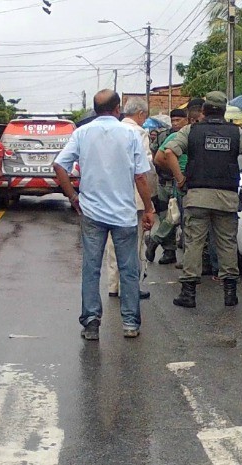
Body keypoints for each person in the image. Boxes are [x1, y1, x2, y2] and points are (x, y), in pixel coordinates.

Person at [53, 90, 154, 340]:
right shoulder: (131, 134)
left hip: (92, 212)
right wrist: (149, 209)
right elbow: (141, 176)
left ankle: (90, 323)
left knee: (91, 268)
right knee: (129, 269)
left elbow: (58, 165)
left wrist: (72, 197)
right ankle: (130, 323)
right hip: (124, 214)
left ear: (95, 109)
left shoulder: (82, 133)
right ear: (118, 108)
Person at [157, 91, 242, 308]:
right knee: (226, 244)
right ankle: (230, 293)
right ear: (224, 111)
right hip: (227, 197)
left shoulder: (191, 130)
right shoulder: (236, 133)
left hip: (197, 196)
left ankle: (189, 293)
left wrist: (180, 179)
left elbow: (168, 153)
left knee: (194, 243)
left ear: (204, 111)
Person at [104, 96, 154, 300]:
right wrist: (150, 203)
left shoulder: (111, 131)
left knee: (112, 242)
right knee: (134, 243)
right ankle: (130, 286)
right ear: (141, 114)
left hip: (111, 193)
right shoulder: (139, 133)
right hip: (134, 194)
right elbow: (144, 167)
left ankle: (113, 285)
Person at [146, 108, 190, 265]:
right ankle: (168, 251)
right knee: (168, 216)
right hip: (165, 182)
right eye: (173, 120)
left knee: (175, 217)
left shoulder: (186, 135)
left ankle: (155, 240)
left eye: (179, 120)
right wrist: (174, 170)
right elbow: (157, 158)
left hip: (178, 182)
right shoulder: (166, 135)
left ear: (187, 120)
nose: (176, 123)